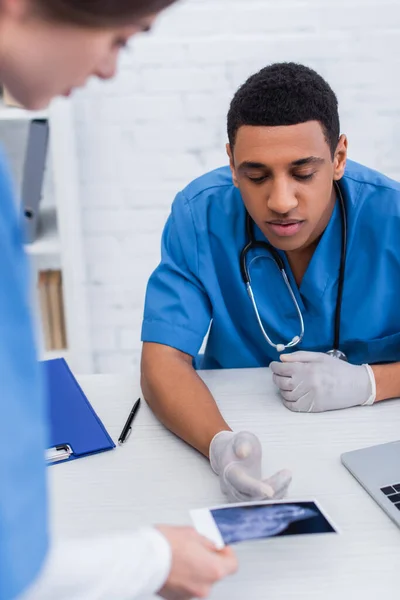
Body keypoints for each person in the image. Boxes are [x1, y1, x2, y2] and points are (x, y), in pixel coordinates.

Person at [0, 1, 238, 600]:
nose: (109, 69)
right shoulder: (201, 209)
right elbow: (12, 564)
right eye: (119, 39)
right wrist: (152, 560)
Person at [141, 62, 400, 500]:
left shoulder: (391, 218)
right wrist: (220, 445)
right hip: (251, 432)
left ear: (338, 159)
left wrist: (371, 384)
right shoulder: (199, 215)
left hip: (374, 447)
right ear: (231, 163)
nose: (280, 202)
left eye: (303, 173)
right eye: (256, 176)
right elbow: (161, 362)